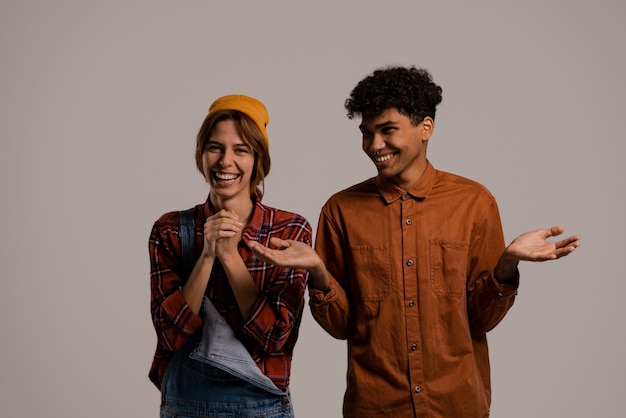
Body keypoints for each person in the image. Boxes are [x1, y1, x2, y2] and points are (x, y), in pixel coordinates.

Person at [248, 66, 581, 417]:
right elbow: (341, 326)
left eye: (387, 130)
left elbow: (480, 320)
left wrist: (507, 263)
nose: (374, 145)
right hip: (375, 408)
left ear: (426, 128)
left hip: (457, 406)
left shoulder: (474, 204)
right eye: (367, 133)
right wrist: (318, 271)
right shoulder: (339, 211)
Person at [149, 94, 312, 417]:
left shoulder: (289, 230)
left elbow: (274, 337)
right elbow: (170, 335)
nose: (226, 161)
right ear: (201, 155)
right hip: (187, 407)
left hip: (262, 408)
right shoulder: (169, 230)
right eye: (215, 148)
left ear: (258, 160)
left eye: (241, 150)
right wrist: (207, 254)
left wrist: (230, 256)